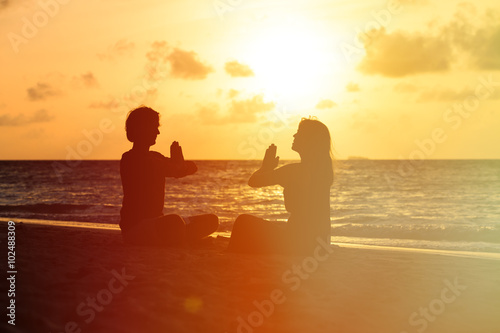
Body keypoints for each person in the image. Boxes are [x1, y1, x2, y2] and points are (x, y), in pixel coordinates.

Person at [227, 117, 333, 255]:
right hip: (320, 245)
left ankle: (231, 254)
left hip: (297, 244)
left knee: (243, 222)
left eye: (299, 133)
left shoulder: (295, 171)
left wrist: (265, 167)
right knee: (276, 227)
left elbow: (254, 181)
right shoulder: (324, 171)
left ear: (309, 141)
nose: (294, 135)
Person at [119, 106, 219, 247]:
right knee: (175, 222)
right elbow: (172, 169)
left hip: (157, 223)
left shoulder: (155, 157)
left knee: (211, 220)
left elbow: (192, 167)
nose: (158, 132)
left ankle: (179, 237)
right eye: (154, 127)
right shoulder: (131, 159)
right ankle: (180, 239)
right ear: (143, 129)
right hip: (135, 229)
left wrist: (179, 164)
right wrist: (178, 165)